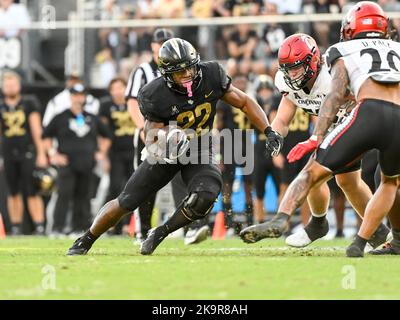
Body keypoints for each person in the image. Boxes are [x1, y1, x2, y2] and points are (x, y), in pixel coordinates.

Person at [66, 38, 283, 256]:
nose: (187, 75)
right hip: (165, 153)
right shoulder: (154, 94)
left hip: (200, 148)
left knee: (206, 195)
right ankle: (86, 238)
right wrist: (165, 137)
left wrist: (268, 129)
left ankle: (160, 232)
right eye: (179, 72)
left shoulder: (212, 74)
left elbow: (244, 101)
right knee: (127, 201)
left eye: (189, 68)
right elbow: (149, 135)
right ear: (167, 74)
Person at [239, 31, 390, 248]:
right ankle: (377, 232)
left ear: (314, 61)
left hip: (356, 123)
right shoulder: (287, 82)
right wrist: (275, 133)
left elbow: (364, 96)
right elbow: (285, 113)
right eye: (288, 69)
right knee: (347, 181)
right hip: (331, 127)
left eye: (297, 68)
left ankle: (315, 223)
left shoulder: (333, 73)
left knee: (314, 172)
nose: (292, 74)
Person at [43, 84, 111, 235]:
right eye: (75, 95)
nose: (78, 98)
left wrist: (101, 152)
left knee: (84, 196)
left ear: (85, 97)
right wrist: (52, 153)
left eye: (81, 95)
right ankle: (57, 228)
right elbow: (46, 136)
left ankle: (79, 228)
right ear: (70, 97)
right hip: (67, 162)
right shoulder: (61, 116)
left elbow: (107, 136)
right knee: (64, 195)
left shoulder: (92, 117)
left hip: (87, 163)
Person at [0, 71, 47, 235]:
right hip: (8, 153)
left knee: (32, 190)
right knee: (13, 191)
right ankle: (15, 226)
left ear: (19, 85)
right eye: (7, 84)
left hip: (27, 151)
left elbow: (36, 129)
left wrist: (41, 152)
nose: (10, 87)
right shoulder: (1, 105)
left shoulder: (29, 102)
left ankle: (39, 225)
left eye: (13, 84)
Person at [99, 77, 135, 234]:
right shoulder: (106, 106)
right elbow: (102, 132)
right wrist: (103, 155)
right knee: (115, 187)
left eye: (120, 87)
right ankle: (111, 223)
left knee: (134, 187)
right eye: (114, 88)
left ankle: (129, 223)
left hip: (133, 151)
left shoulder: (134, 102)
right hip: (115, 153)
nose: (118, 91)